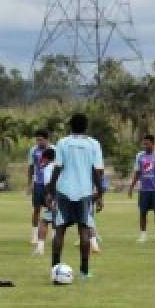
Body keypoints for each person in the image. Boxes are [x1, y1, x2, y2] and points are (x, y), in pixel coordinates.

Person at [47, 113, 106, 281]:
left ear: (70, 126)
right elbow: (97, 172)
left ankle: (55, 268)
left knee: (59, 230)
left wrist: (50, 191)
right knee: (84, 231)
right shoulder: (94, 144)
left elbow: (57, 168)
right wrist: (100, 194)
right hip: (84, 192)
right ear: (86, 127)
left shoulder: (63, 142)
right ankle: (84, 272)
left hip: (64, 191)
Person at [128, 133, 155, 243]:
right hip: (144, 190)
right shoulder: (139, 156)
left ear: (153, 143)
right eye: (144, 144)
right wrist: (131, 186)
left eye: (147, 144)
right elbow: (137, 172)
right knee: (142, 212)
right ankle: (143, 235)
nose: (145, 146)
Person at [27, 129, 51, 246]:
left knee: (52, 209)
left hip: (50, 185)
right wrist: (29, 183)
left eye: (40, 140)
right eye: (37, 140)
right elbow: (31, 167)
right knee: (36, 209)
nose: (38, 142)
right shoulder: (33, 150)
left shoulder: (54, 150)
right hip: (38, 184)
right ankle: (34, 236)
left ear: (46, 139)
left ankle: (55, 234)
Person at [33, 147, 57, 257]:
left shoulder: (48, 169)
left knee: (44, 222)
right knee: (58, 223)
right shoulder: (58, 166)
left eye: (43, 159)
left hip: (54, 198)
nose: (42, 161)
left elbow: (48, 185)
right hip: (65, 198)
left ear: (46, 158)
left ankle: (40, 249)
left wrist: (49, 198)